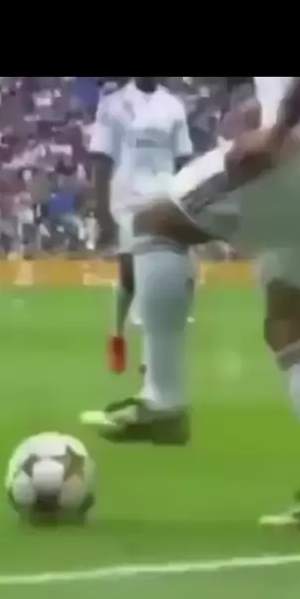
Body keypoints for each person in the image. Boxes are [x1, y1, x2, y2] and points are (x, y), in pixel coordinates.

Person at [86, 78, 300, 524]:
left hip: (292, 155)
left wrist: (279, 127)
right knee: (289, 321)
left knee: (155, 223)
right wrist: (264, 109)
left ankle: (163, 401)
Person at [89, 77, 194, 390]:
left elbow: (183, 159)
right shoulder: (113, 105)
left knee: (159, 276)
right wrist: (102, 211)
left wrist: (188, 201)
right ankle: (117, 334)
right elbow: (101, 159)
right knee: (130, 273)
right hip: (127, 198)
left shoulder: (173, 106)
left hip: (164, 196)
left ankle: (150, 357)